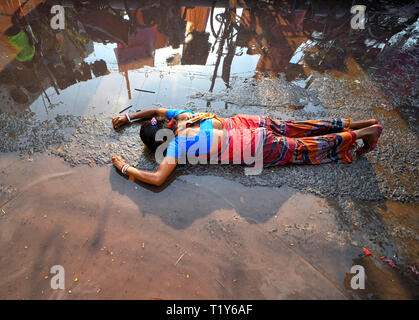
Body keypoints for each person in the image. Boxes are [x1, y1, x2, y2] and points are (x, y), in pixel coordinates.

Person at [111, 108, 382, 186]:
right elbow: (156, 109)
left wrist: (125, 166)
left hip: (253, 144)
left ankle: (365, 133)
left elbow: (158, 179)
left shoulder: (178, 146)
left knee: (304, 147)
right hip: (247, 122)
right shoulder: (183, 117)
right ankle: (361, 122)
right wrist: (129, 117)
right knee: (301, 126)